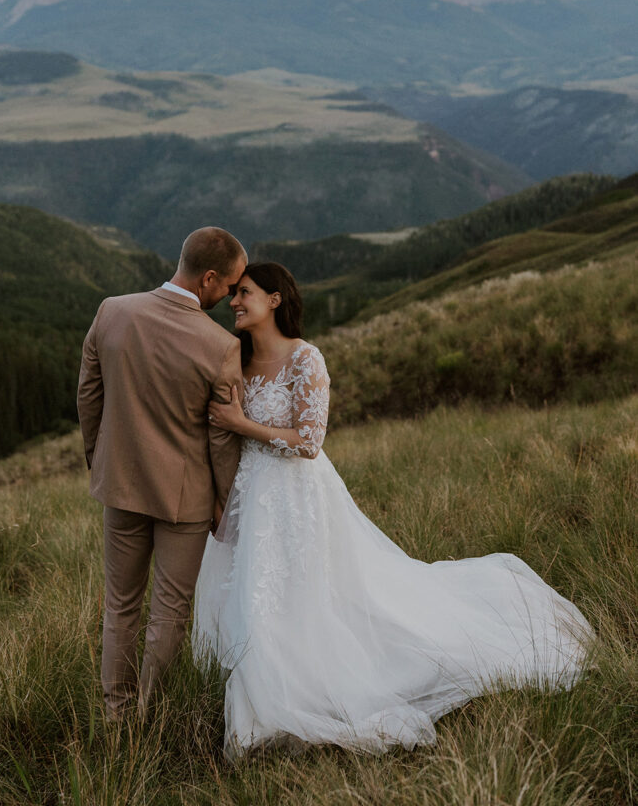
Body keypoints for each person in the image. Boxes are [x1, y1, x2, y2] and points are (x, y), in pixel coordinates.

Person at [193, 262, 594, 760]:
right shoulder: (238, 362)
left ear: (275, 300)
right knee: (259, 593)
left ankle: (310, 685)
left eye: (244, 292)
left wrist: (242, 424)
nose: (234, 301)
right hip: (250, 497)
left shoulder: (305, 359)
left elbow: (310, 442)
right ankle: (261, 677)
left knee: (314, 592)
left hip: (299, 495)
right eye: (232, 294)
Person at [77, 226, 247, 721]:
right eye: (230, 287)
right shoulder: (220, 346)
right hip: (186, 500)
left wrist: (100, 459)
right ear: (208, 279)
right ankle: (151, 717)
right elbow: (221, 438)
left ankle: (117, 715)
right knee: (169, 612)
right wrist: (223, 502)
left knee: (120, 606)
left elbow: (89, 395)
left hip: (120, 485)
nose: (232, 296)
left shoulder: (112, 310)